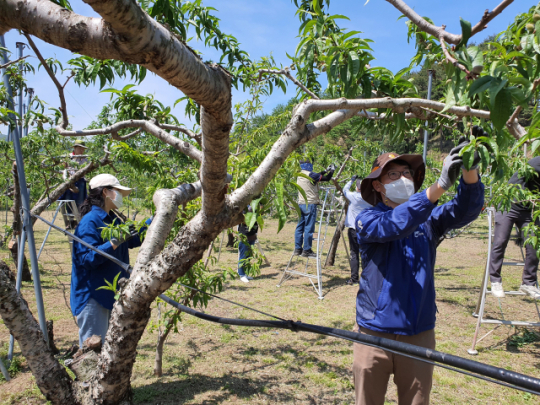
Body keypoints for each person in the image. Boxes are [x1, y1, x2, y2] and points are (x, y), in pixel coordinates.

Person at [353, 143, 484, 405]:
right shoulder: (367, 219)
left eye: (407, 173)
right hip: (373, 332)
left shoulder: (430, 219)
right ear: (377, 186)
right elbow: (393, 225)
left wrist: (470, 168)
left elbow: (465, 209)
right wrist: (438, 187)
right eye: (393, 174)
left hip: (418, 331)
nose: (404, 178)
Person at [70, 174, 152, 346]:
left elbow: (134, 240)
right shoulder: (90, 222)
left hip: (111, 295)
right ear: (106, 192)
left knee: (109, 350)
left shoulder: (113, 219)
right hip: (93, 298)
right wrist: (114, 241)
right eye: (118, 191)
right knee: (93, 353)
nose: (121, 196)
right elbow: (87, 259)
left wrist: (154, 220)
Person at [488, 157, 540, 300]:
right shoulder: (537, 162)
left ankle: (529, 283)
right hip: (508, 205)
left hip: (528, 210)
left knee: (533, 244)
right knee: (500, 241)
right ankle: (495, 280)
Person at [295, 159, 335, 257]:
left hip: (300, 204)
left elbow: (316, 176)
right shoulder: (311, 175)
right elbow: (326, 178)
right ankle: (307, 250)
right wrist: (332, 171)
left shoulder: (300, 175)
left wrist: (325, 170)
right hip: (310, 204)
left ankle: (297, 249)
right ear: (309, 165)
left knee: (299, 227)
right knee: (309, 227)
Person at [342, 175, 371, 286]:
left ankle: (354, 278)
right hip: (365, 229)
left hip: (353, 229)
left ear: (358, 188)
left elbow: (345, 190)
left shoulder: (353, 196)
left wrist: (351, 180)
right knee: (365, 253)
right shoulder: (369, 198)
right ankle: (366, 278)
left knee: (354, 253)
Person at [237, 204, 259, 284]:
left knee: (249, 256)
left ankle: (244, 273)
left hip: (252, 235)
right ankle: (241, 274)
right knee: (243, 256)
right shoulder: (244, 207)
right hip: (244, 235)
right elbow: (243, 220)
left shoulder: (255, 206)